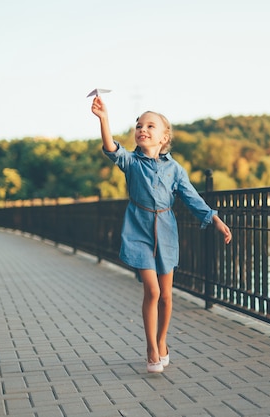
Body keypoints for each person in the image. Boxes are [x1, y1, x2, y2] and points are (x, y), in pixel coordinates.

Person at [91, 96, 232, 373]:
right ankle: (151, 348)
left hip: (166, 229)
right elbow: (111, 149)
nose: (142, 129)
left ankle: (162, 339)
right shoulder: (131, 162)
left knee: (167, 295)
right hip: (138, 230)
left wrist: (214, 218)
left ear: (163, 137)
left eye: (150, 126)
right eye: (139, 125)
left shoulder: (174, 169)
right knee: (152, 290)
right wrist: (104, 118)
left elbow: (191, 197)